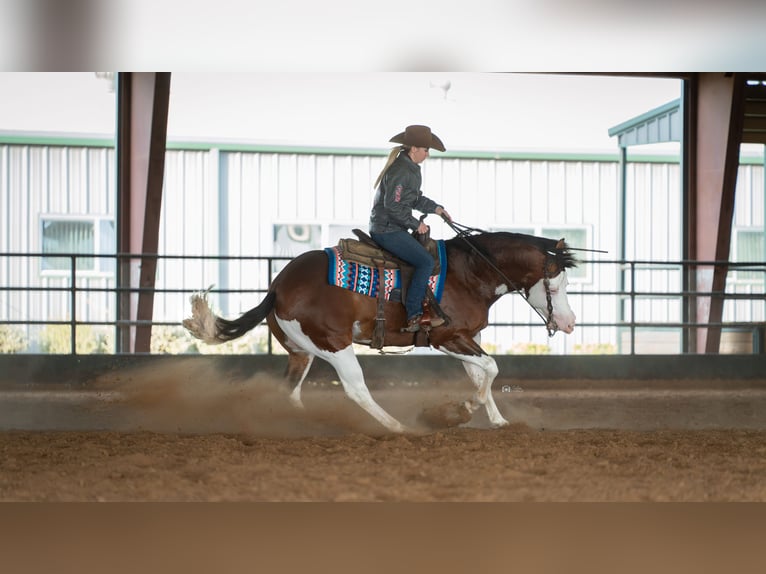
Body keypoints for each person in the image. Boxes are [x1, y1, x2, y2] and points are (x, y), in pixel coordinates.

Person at [369, 125, 452, 332]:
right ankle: (414, 313)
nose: (427, 154)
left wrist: (436, 208)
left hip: (393, 226)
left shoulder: (410, 169)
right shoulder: (401, 170)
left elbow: (413, 199)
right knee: (425, 261)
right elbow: (393, 206)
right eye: (425, 150)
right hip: (386, 229)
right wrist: (416, 224)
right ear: (414, 148)